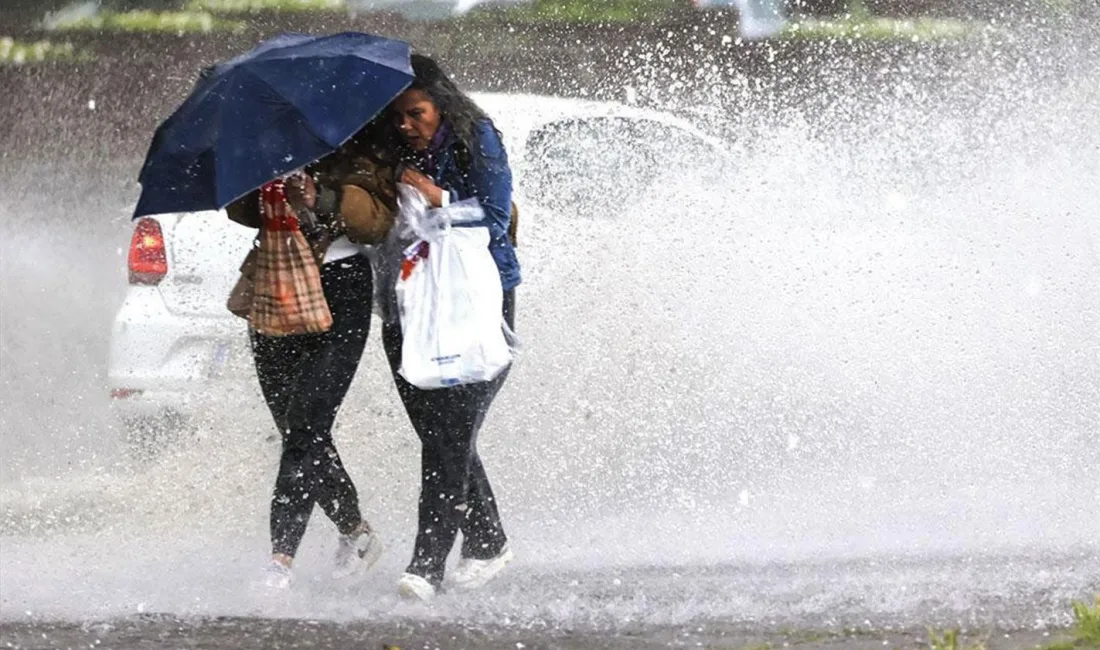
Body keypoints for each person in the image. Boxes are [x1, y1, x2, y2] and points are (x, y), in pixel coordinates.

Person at [226, 126, 397, 589]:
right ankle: (357, 532)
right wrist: (258, 178)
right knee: (295, 430)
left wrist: (319, 196)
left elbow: (379, 222)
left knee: (306, 426)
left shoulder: (367, 141)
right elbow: (237, 210)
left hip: (342, 288)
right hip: (275, 280)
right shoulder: (268, 142)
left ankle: (280, 561)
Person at [381, 54, 521, 601]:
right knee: (440, 433)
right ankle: (487, 541)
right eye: (398, 117)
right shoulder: (390, 151)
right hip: (411, 301)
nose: (407, 126)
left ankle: (426, 564)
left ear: (441, 103)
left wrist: (437, 199)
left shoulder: (476, 136)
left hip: (476, 298)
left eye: (416, 113)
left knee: (451, 432)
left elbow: (495, 211)